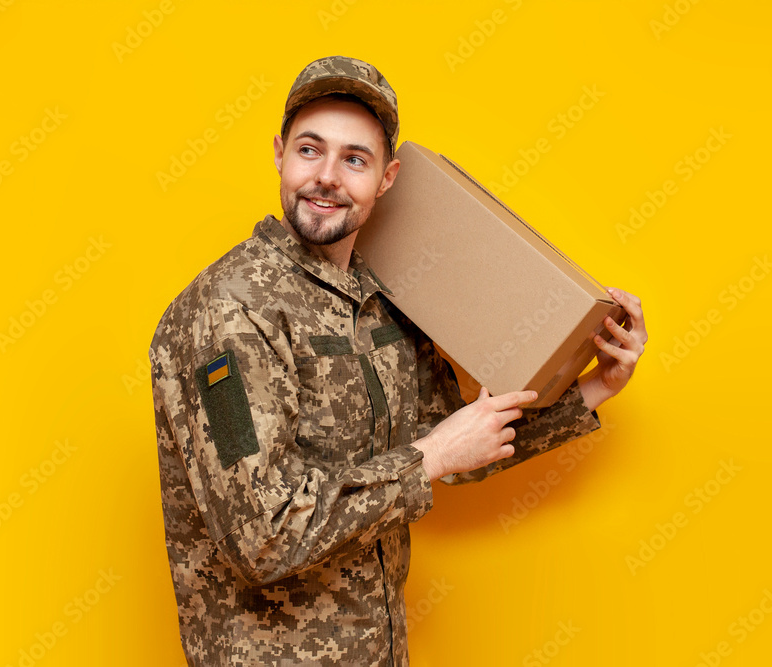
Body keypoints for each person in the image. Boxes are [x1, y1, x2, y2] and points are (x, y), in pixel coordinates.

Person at [150, 56, 647, 666]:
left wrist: (595, 389)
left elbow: (452, 445)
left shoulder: (380, 302)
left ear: (386, 178)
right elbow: (263, 536)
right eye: (310, 150)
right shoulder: (227, 314)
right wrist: (429, 457)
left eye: (355, 159)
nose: (327, 177)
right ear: (279, 153)